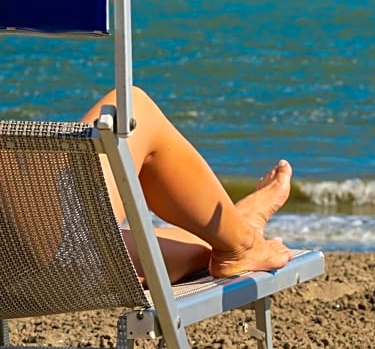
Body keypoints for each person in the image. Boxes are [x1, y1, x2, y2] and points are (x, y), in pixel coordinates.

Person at [81, 86, 294, 285]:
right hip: (75, 248)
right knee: (131, 107)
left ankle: (238, 230)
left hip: (61, 265)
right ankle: (244, 243)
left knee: (204, 248)